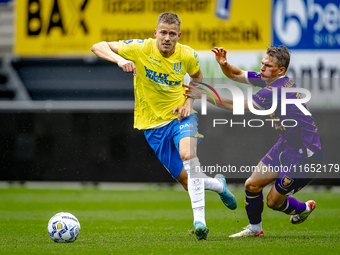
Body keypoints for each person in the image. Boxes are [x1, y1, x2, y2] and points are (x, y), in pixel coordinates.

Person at [91, 13, 237, 240]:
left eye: (172, 34)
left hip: (181, 116)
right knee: (188, 181)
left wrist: (189, 102)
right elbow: (97, 46)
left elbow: (197, 78)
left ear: (178, 36)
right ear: (155, 33)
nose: (167, 38)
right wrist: (120, 60)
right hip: (152, 125)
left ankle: (200, 222)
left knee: (188, 155)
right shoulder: (139, 49)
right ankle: (219, 185)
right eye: (163, 32)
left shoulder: (187, 55)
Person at [185, 45, 322, 237]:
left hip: (305, 155)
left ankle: (304, 208)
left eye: (268, 65)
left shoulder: (276, 89)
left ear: (281, 70)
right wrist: (224, 64)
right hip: (287, 146)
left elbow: (237, 105)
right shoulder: (270, 78)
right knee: (251, 185)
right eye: (262, 63)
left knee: (273, 202)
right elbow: (236, 73)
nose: (262, 68)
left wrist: (204, 95)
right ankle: (255, 229)